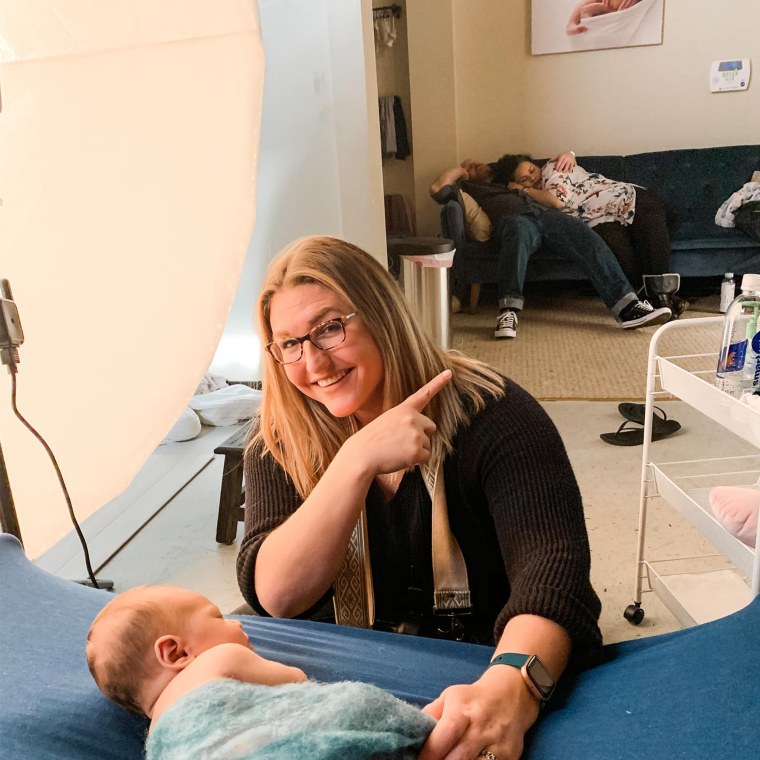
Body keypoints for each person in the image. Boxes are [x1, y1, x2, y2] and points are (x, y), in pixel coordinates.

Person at [237, 235, 604, 760]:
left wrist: (512, 690)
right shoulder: (276, 438)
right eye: (290, 343)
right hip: (340, 671)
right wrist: (355, 460)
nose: (313, 362)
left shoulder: (498, 413)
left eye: (329, 328)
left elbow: (553, 572)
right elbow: (275, 596)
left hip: (482, 661)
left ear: (384, 315)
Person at [86, 585, 434, 759]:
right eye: (218, 617)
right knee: (357, 704)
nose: (237, 623)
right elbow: (296, 681)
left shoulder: (159, 739)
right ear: (176, 652)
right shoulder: (221, 657)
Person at [430, 159, 671, 339]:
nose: (479, 164)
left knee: (588, 238)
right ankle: (508, 310)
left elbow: (555, 192)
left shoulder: (514, 184)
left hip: (548, 217)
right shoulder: (472, 189)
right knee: (518, 234)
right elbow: (438, 190)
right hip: (516, 220)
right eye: (474, 165)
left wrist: (522, 186)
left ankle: (627, 307)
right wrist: (462, 170)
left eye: (480, 164)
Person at [494, 152, 688, 318]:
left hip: (623, 199)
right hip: (599, 218)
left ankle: (663, 300)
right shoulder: (534, 196)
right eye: (524, 179)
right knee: (618, 253)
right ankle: (652, 300)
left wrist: (525, 189)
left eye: (531, 170)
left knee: (650, 233)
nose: (532, 177)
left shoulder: (552, 169)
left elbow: (558, 202)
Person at [566, 0, 640, 36]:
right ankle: (572, 23)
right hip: (605, 11)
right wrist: (572, 22)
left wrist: (619, 14)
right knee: (585, 9)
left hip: (621, 14)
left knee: (586, 10)